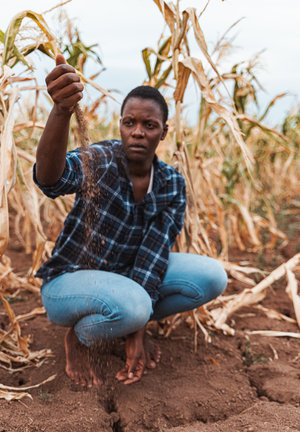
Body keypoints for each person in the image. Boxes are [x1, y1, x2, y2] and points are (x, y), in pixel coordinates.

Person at [33, 54, 227, 388]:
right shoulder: (102, 161)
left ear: (163, 133)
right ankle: (81, 338)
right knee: (134, 305)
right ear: (120, 125)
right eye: (129, 123)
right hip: (69, 284)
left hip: (124, 281)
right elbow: (51, 180)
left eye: (149, 126)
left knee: (212, 277)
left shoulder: (171, 184)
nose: (137, 132)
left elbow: (153, 256)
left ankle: (126, 322)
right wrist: (61, 110)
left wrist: (138, 331)